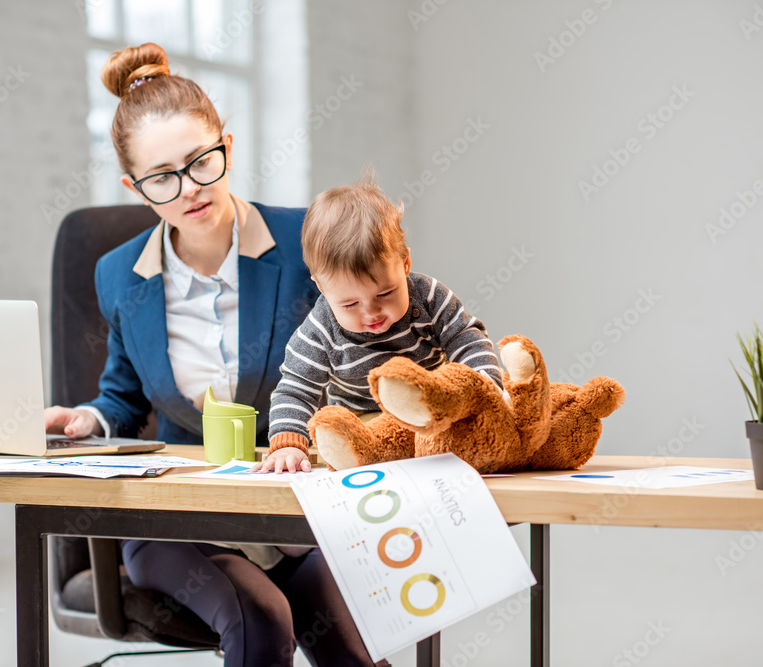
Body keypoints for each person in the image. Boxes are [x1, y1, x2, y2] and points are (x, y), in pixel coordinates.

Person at [43, 43, 380, 667]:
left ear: (227, 145)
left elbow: (366, 351)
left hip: (292, 506)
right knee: (259, 617)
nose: (190, 189)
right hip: (178, 518)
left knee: (349, 646)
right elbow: (121, 395)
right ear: (134, 187)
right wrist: (87, 419)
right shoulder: (121, 275)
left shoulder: (305, 240)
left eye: (202, 162)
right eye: (162, 178)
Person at [254, 175, 504, 473]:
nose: (371, 312)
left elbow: (467, 337)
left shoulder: (427, 297)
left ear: (405, 264)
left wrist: (484, 381)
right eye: (350, 304)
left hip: (431, 416)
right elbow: (295, 389)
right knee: (347, 439)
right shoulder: (320, 330)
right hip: (363, 424)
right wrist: (289, 445)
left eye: (385, 293)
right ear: (321, 287)